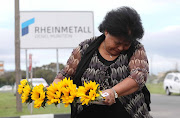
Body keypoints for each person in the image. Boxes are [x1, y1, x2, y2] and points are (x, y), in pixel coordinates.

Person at [53, 6, 152, 118]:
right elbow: (66, 74)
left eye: (126, 44)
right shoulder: (85, 48)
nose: (120, 48)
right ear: (106, 31)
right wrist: (53, 89)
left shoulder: (136, 49)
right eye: (117, 43)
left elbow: (139, 76)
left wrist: (113, 92)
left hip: (128, 113)